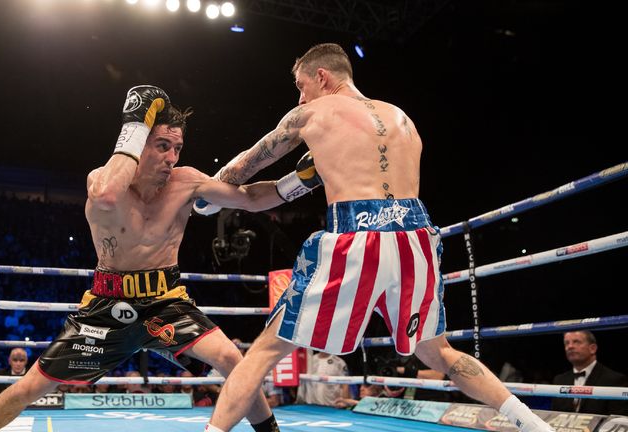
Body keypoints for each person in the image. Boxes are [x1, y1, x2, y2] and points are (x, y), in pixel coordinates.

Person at [205, 43, 554, 432]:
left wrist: (208, 197)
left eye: (302, 85)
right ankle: (534, 424)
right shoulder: (402, 117)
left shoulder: (311, 112)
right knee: (437, 351)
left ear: (323, 77)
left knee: (265, 350)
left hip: (357, 233)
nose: (300, 96)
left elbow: (244, 166)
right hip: (416, 238)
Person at [0, 85, 300, 432]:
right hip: (106, 307)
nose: (171, 157)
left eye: (177, 148)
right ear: (138, 141)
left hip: (165, 302)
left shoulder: (186, 182)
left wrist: (301, 181)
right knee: (33, 386)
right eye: (162, 146)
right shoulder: (103, 180)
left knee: (232, 358)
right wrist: (135, 124)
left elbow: (249, 197)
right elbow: (107, 196)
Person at [550, 330, 628, 415]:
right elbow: (555, 416)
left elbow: (617, 421)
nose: (570, 346)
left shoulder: (614, 380)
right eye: (567, 343)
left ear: (592, 348)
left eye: (576, 342)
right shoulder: (559, 380)